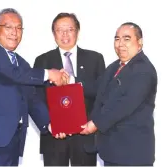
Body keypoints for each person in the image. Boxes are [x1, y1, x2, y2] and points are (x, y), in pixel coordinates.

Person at [0, 8, 68, 166]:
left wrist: (51, 124)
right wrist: (49, 74)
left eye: (19, 28)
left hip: (12, 143)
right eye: (8, 27)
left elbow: (32, 99)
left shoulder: (22, 63)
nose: (14, 32)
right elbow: (10, 73)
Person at [33, 13, 105, 166]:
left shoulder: (95, 59)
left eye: (70, 29)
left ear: (77, 32)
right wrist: (49, 124)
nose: (65, 34)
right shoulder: (42, 61)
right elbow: (36, 98)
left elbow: (102, 94)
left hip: (86, 136)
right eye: (60, 30)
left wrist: (95, 123)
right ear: (54, 34)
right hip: (55, 137)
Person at [81, 22, 157, 166]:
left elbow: (124, 106)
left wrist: (96, 124)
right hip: (112, 152)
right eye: (117, 39)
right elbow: (96, 87)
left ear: (139, 42)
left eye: (126, 39)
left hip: (132, 154)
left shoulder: (144, 70)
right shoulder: (115, 66)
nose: (120, 43)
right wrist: (70, 81)